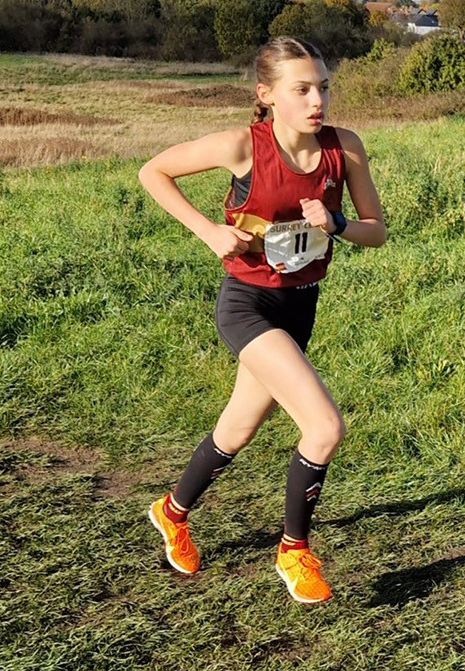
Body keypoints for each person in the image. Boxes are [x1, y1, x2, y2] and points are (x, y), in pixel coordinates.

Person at [138, 36, 386, 604]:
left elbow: (377, 231)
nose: (317, 100)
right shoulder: (242, 146)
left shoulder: (343, 148)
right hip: (247, 304)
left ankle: (171, 511)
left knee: (238, 428)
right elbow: (154, 172)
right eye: (301, 90)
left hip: (301, 305)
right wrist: (208, 231)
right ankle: (293, 551)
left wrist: (337, 223)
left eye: (323, 87)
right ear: (267, 94)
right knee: (324, 427)